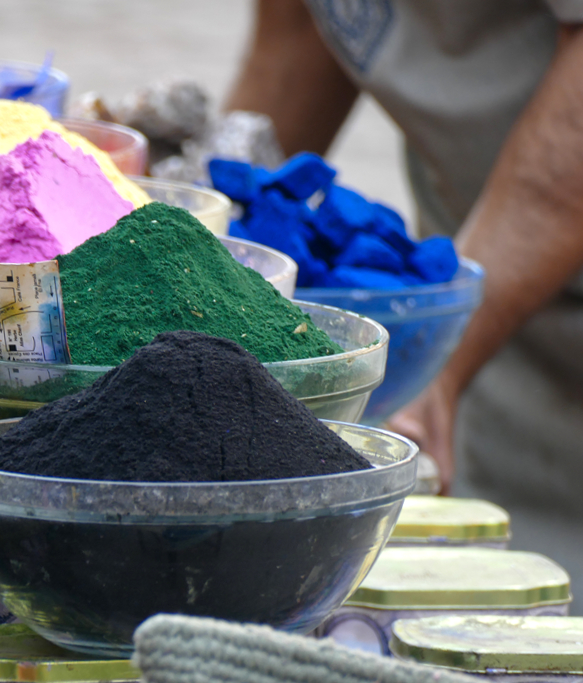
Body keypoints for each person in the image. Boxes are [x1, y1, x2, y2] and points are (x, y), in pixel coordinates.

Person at [226, 0, 583, 599]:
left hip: (504, 264)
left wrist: (442, 346)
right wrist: (206, 241)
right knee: (509, 601)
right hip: (481, 276)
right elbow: (297, 28)